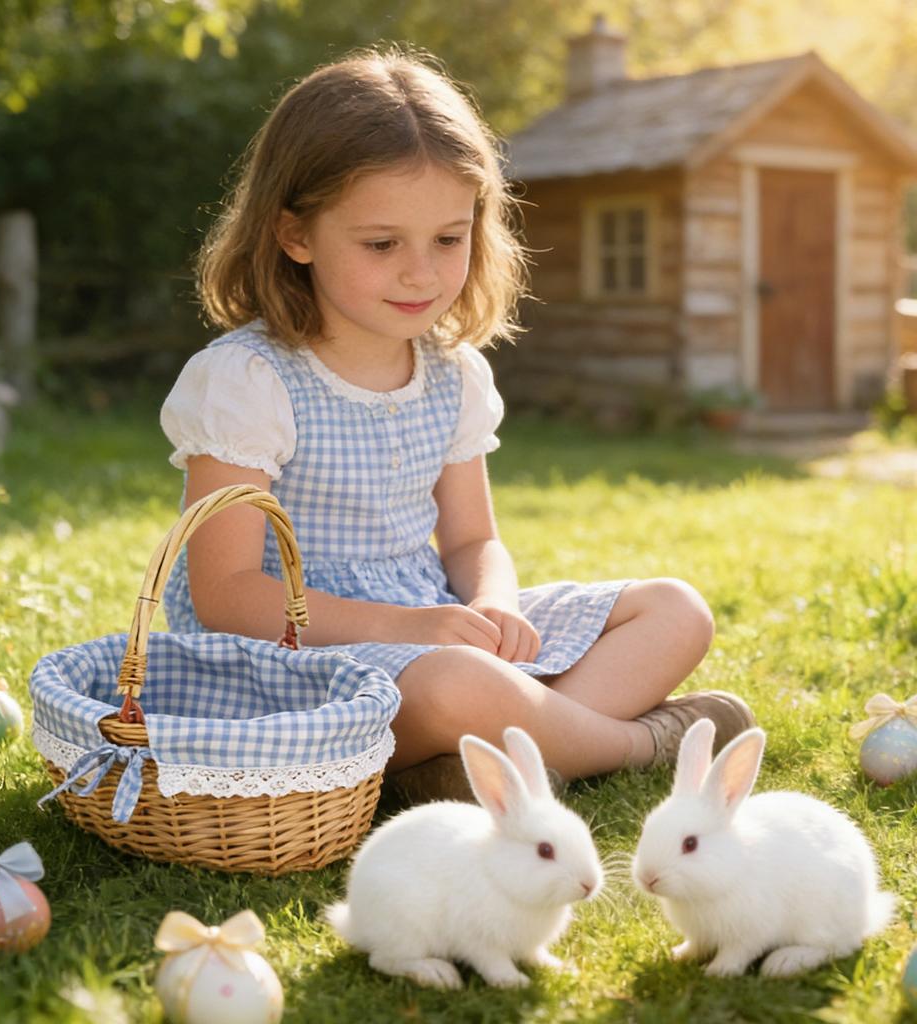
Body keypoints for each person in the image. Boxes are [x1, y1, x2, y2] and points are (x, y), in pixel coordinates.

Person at [160, 48, 754, 801]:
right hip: (297, 661)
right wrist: (409, 631)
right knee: (454, 686)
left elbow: (472, 542)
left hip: (434, 625)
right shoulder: (247, 380)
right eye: (382, 244)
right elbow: (227, 595)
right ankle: (639, 744)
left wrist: (492, 604)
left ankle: (468, 759)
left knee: (673, 610)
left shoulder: (453, 373)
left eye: (448, 238)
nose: (422, 272)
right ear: (294, 234)